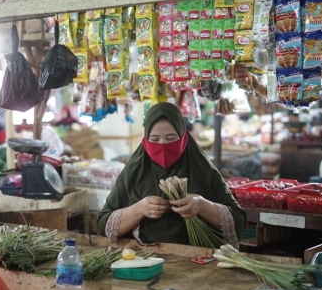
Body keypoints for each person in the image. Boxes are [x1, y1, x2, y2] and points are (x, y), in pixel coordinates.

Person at [97, 103, 246, 248]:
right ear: (145, 140)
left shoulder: (203, 170)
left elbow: (238, 222)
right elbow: (103, 225)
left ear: (183, 137)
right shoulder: (132, 174)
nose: (162, 145)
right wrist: (139, 209)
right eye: (155, 139)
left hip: (198, 260)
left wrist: (202, 205)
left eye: (171, 138)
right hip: (144, 258)